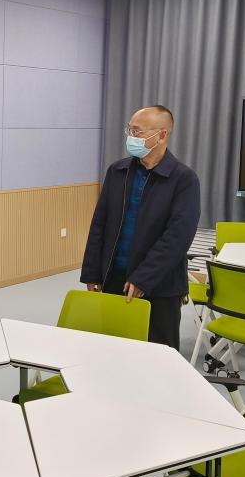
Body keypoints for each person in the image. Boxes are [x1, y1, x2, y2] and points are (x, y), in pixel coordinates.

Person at [81, 105, 200, 351]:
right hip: (114, 278)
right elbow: (99, 224)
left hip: (161, 285)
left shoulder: (183, 179)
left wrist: (142, 279)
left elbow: (177, 237)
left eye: (138, 132)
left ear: (162, 135)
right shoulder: (118, 171)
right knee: (114, 347)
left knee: (158, 353)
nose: (131, 137)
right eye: (129, 130)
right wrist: (92, 272)